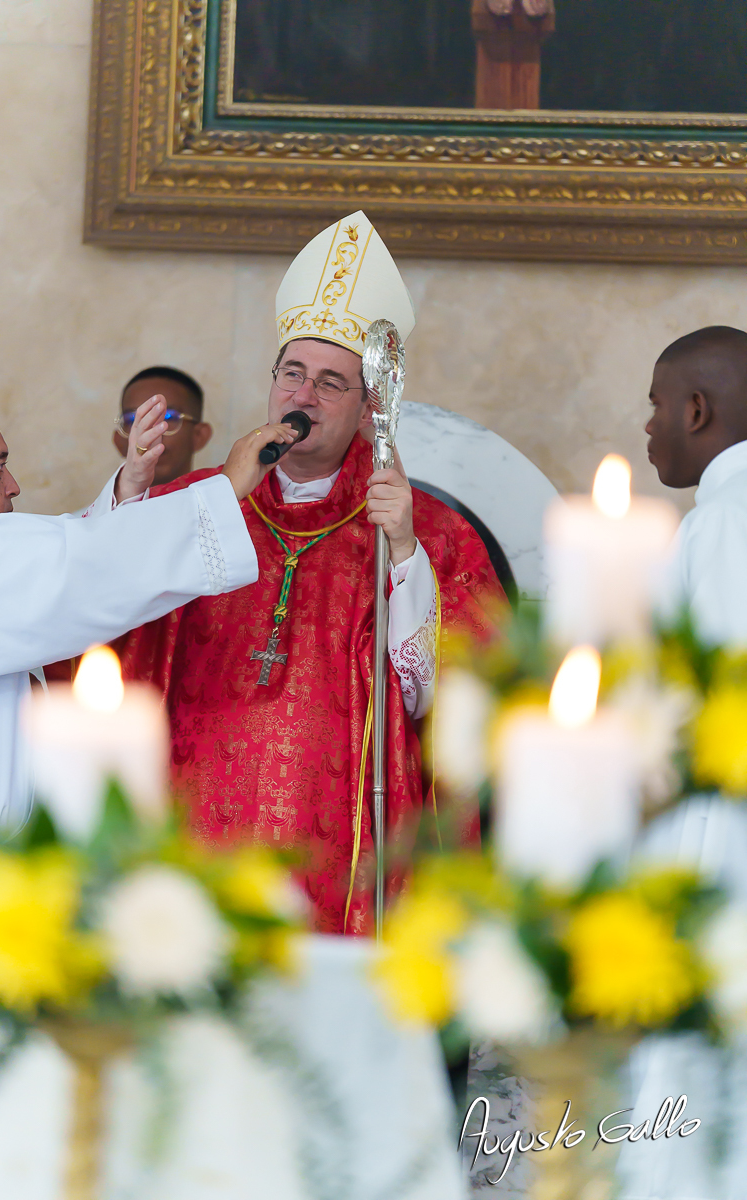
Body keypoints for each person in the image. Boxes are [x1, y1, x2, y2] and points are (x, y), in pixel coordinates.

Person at [112, 211, 507, 934]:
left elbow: (455, 704)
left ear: (368, 407)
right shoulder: (198, 503)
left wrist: (404, 555)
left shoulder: (427, 531)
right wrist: (131, 495)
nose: (303, 396)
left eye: (331, 383)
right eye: (292, 374)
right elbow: (107, 615)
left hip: (342, 839)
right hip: (196, 820)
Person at [0, 396, 298, 842]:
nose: (13, 485)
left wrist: (130, 485)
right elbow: (85, 566)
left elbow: (75, 552)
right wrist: (226, 488)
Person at [646, 324, 747, 643]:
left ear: (696, 411)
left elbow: (727, 662)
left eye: (657, 405)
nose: (649, 426)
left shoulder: (723, 517)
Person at [113, 366, 212, 487]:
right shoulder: (104, 500)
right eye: (133, 419)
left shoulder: (222, 498)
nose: (150, 433)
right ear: (118, 441)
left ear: (199, 435)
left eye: (167, 417)